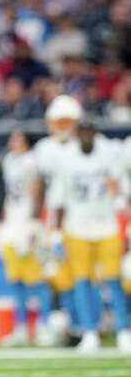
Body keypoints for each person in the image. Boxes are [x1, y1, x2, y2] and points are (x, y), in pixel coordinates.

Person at [49, 121, 131, 353]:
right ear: (76, 135)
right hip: (77, 227)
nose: (85, 137)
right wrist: (55, 232)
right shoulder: (65, 159)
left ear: (95, 134)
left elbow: (120, 188)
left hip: (107, 225)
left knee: (114, 280)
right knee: (82, 282)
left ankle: (123, 331)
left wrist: (123, 214)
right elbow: (58, 198)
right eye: (81, 133)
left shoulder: (109, 154)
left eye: (89, 133)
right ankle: (90, 331)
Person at [0, 128, 55, 346]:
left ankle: (43, 326)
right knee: (16, 279)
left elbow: (38, 192)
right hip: (12, 222)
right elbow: (9, 193)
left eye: (17, 138)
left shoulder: (34, 161)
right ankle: (20, 327)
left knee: (38, 279)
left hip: (29, 223)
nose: (13, 141)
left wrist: (33, 224)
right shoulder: (9, 160)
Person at [34, 95, 82, 337]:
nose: (63, 127)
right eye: (59, 122)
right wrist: (35, 221)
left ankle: (85, 323)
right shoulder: (44, 149)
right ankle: (67, 325)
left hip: (82, 216)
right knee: (54, 274)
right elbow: (39, 185)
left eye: (67, 122)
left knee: (83, 274)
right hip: (52, 217)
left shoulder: (83, 146)